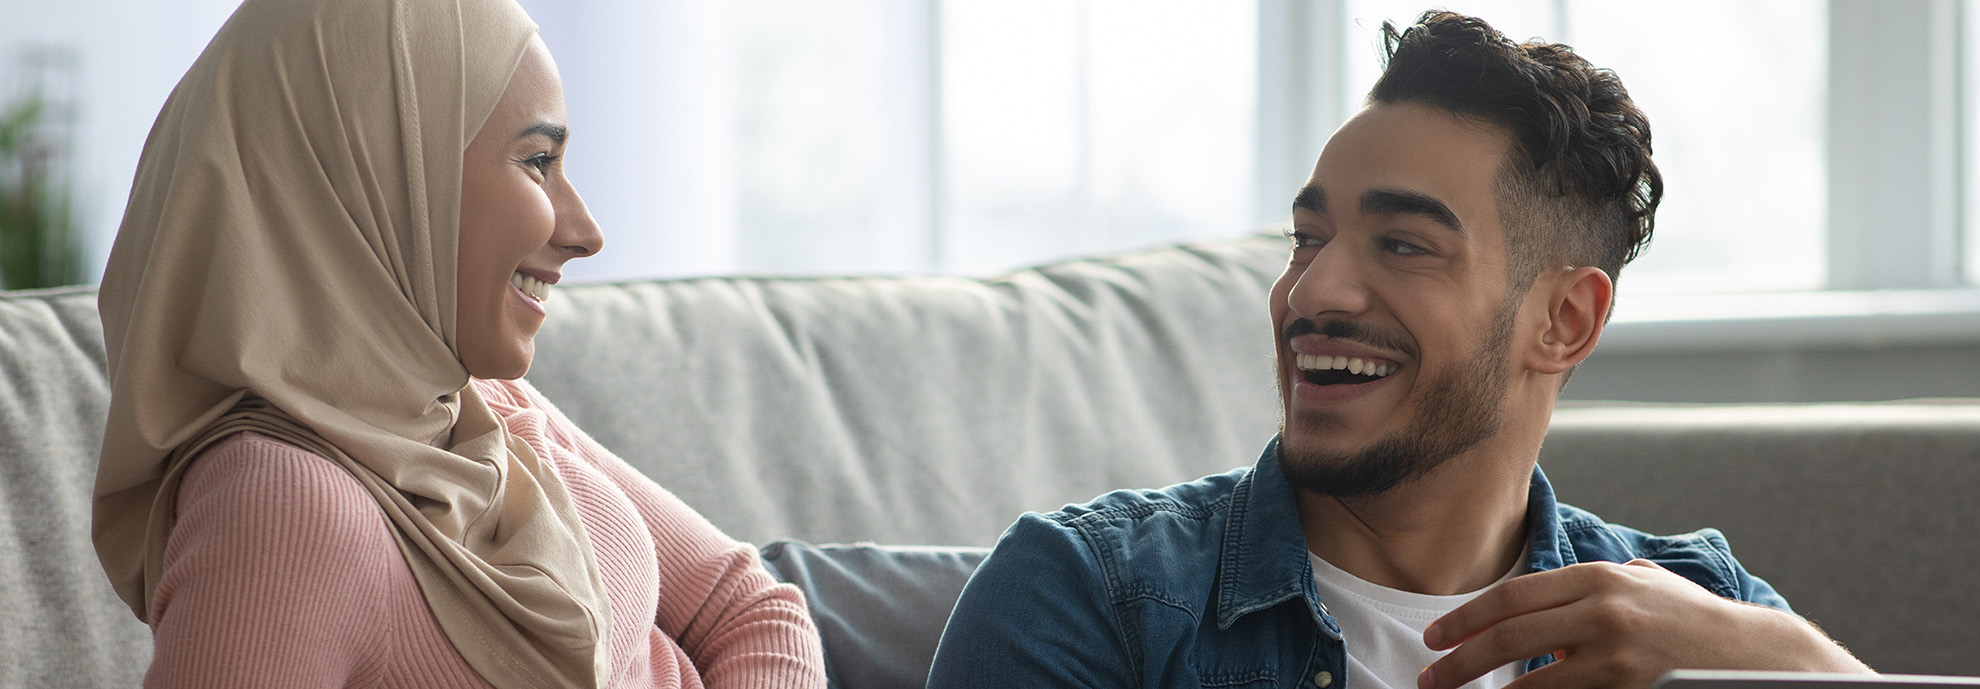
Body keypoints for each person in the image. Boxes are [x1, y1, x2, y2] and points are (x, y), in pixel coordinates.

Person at [926, 11, 1872, 689]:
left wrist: (1783, 657)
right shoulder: (1090, 597)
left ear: (1567, 322)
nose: (1313, 291)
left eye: (1404, 244)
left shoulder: (1695, 613)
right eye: (1308, 238)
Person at [89, 0, 824, 686]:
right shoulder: (281, 510)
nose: (585, 233)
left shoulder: (474, 404)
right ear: (382, 176)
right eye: (539, 161)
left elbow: (755, 607)